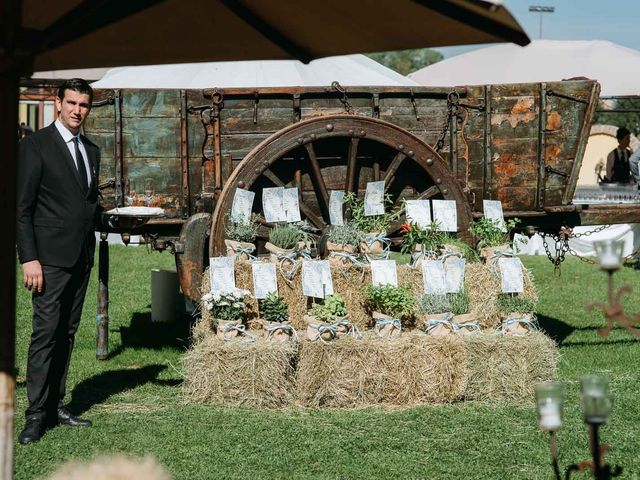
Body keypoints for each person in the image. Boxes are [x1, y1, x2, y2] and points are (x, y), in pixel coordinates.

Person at [16, 78, 100, 444]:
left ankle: (55, 404)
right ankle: (35, 415)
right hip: (47, 261)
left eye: (83, 104)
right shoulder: (35, 146)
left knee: (67, 333)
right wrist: (29, 258)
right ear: (57, 103)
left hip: (81, 258)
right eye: (72, 103)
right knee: (46, 334)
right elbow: (21, 209)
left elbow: (84, 204)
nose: (77, 110)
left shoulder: (91, 150)